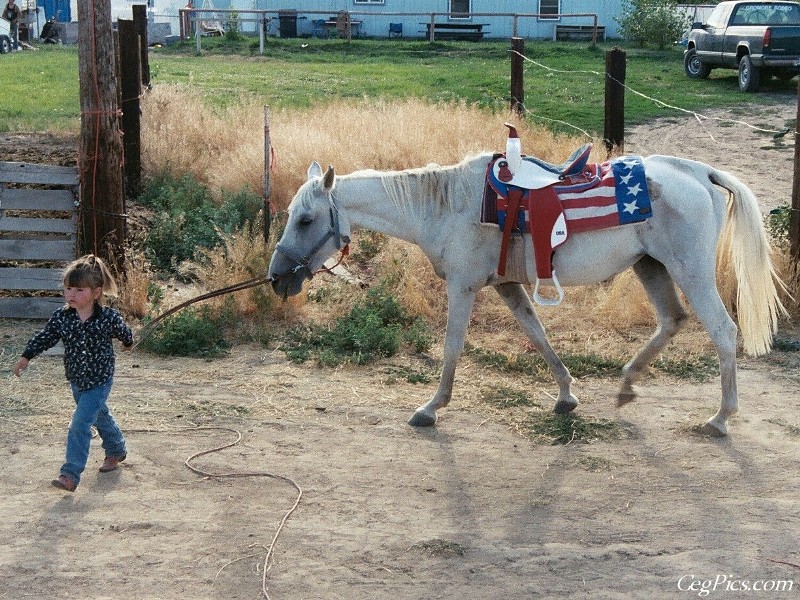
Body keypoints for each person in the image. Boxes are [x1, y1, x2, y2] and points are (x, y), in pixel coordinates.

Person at [13, 255, 134, 492]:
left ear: (96, 292)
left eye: (79, 290)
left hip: (100, 380)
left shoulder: (107, 318)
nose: (71, 294)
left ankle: (70, 475)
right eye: (68, 288)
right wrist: (26, 356)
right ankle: (116, 449)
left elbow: (125, 333)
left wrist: (128, 343)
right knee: (99, 415)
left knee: (80, 424)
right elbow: (45, 337)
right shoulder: (63, 317)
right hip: (76, 380)